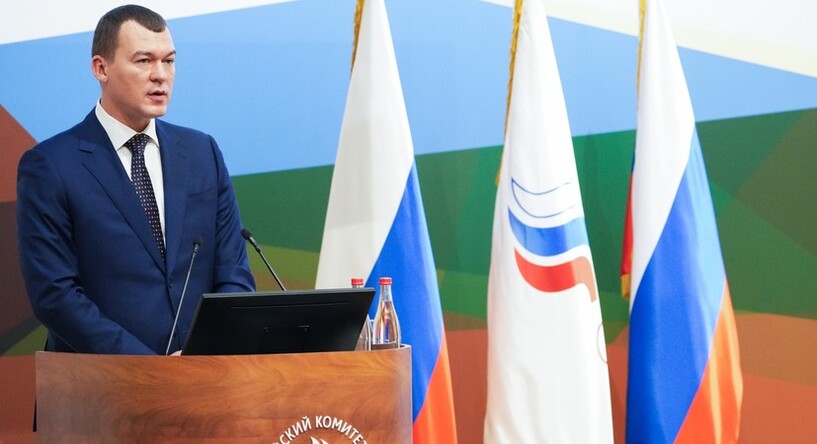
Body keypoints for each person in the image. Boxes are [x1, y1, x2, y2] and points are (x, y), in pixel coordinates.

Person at [16, 4, 256, 355]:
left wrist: (203, 353)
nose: (160, 75)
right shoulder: (52, 166)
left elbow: (233, 273)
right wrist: (149, 369)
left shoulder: (202, 152)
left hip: (202, 376)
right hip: (100, 381)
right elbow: (55, 296)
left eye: (169, 61)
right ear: (101, 68)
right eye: (144, 61)